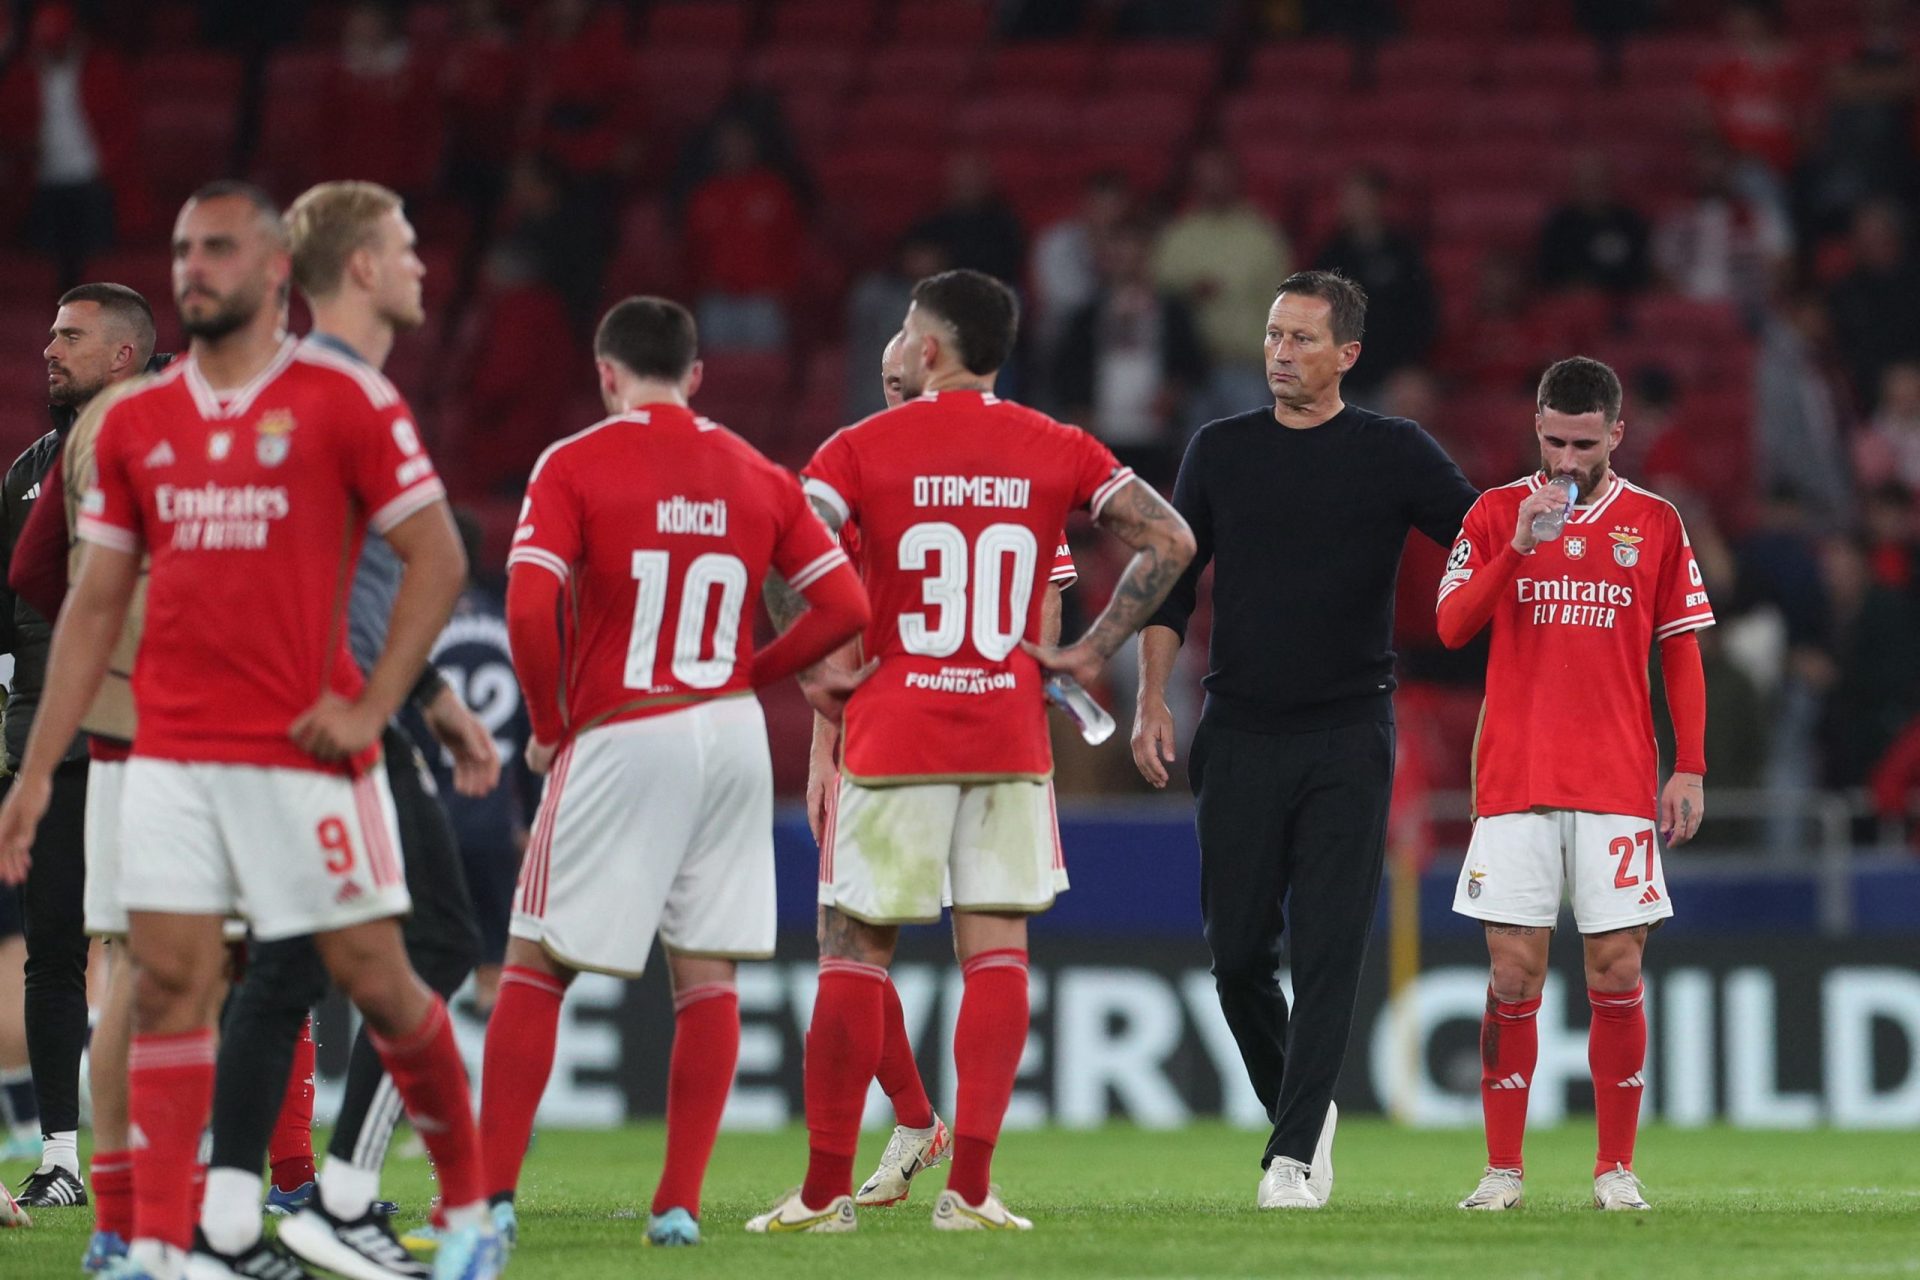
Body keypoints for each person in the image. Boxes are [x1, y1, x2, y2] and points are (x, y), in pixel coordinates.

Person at [0, 180, 503, 1280]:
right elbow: (87, 599)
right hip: (171, 755)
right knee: (168, 984)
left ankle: (469, 1205)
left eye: (217, 247)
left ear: (277, 269)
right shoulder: (137, 418)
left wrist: (375, 706)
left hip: (303, 753)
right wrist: (39, 767)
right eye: (182, 247)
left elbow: (441, 557)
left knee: (383, 975)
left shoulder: (343, 400)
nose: (193, 266)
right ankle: (165, 1239)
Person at [748, 269, 1194, 1234]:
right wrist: (1091, 650)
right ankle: (973, 1189)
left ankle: (826, 1194)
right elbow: (1170, 538)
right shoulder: (1055, 446)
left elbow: (787, 545)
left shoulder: (860, 447)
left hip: (895, 724)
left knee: (854, 950)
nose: (900, 346)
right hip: (1006, 730)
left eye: (908, 331)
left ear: (932, 349)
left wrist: (810, 669)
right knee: (998, 952)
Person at [476, 296, 870, 1249]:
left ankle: (485, 1198)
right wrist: (752, 674)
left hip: (622, 723)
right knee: (707, 974)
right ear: (697, 375)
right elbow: (843, 603)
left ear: (606, 374)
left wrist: (545, 723)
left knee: (534, 963)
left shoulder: (572, 462)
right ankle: (678, 1204)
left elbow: (529, 608)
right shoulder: (754, 470)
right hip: (727, 734)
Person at [192, 180, 502, 1280]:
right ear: (361, 268)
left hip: (332, 704)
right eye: (407, 246)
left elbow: (354, 583)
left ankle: (228, 1224)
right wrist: (381, 708)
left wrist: (435, 700)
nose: (424, 264)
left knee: (283, 963)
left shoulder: (317, 390)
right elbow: (369, 576)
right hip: (325, 716)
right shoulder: (334, 396)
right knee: (438, 941)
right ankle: (345, 1197)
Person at [1132, 269, 1476, 1209]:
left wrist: (1541, 541)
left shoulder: (1393, 451)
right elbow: (1170, 579)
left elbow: (1477, 542)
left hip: (1347, 734)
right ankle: (1303, 1106)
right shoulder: (1219, 450)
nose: (1280, 353)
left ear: (1347, 355)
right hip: (1237, 730)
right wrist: (1153, 698)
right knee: (1238, 954)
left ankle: (1290, 1158)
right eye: (1275, 336)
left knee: (1327, 949)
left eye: (1302, 339)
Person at [804, 330, 1081, 1209]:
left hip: (933, 727)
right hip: (888, 733)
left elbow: (1045, 589)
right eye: (884, 384)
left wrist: (1026, 677)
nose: (898, 398)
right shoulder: (883, 467)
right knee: (849, 945)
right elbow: (840, 618)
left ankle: (920, 1160)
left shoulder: (870, 472)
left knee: (886, 944)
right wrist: (824, 748)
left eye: (905, 380)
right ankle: (926, 1128)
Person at [1437, 356, 1712, 1212]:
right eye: (1553, 439)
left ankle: (1614, 1168)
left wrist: (1691, 764)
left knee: (1615, 964)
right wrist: (1518, 546)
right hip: (1516, 778)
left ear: (1615, 436)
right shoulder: (1491, 514)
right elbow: (1450, 627)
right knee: (1513, 972)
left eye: (1582, 443)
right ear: (1537, 428)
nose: (1564, 457)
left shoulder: (1656, 522)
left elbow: (1680, 648)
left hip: (1619, 781)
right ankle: (1502, 1170)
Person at [3, 282, 155, 1212]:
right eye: (48, 332)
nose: (49, 349)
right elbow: (10, 611)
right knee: (55, 949)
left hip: (154, 735)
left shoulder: (179, 439)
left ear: (124, 355)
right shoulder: (26, 472)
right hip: (52, 752)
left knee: (188, 947)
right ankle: (64, 1156)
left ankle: (222, 1150)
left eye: (71, 337)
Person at [405, 508, 534, 1016]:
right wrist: (528, 817)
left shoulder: (412, 632)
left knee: (422, 966)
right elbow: (531, 730)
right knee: (495, 967)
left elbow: (405, 721)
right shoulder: (506, 627)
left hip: (428, 820)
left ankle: (428, 1078)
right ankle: (491, 1082)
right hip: (494, 819)